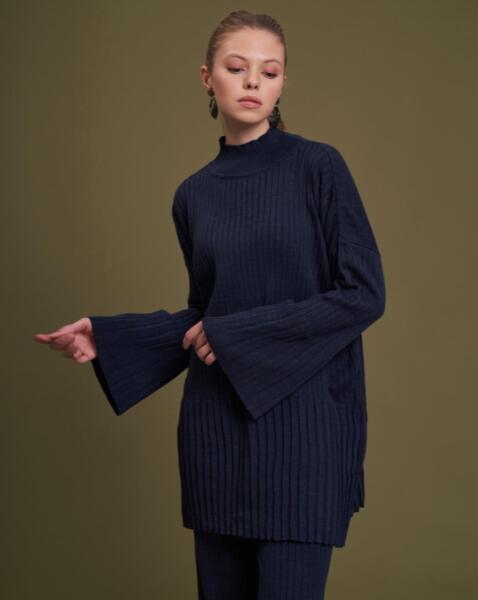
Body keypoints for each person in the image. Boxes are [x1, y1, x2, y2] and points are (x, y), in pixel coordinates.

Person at [34, 10, 386, 600]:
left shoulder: (318, 167)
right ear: (207, 77)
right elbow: (206, 313)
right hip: (217, 435)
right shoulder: (192, 195)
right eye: (237, 67)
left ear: (282, 83)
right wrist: (111, 337)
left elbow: (363, 295)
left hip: (305, 433)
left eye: (269, 71)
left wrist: (236, 334)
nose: (252, 82)